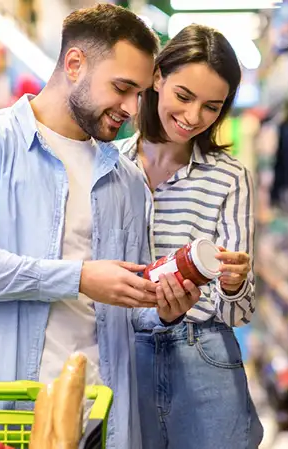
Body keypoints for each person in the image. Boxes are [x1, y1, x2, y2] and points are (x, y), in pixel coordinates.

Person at [0, 4, 201, 449]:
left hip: (98, 419)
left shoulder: (126, 180)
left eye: (140, 94)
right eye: (122, 88)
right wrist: (79, 277)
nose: (131, 108)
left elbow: (129, 309)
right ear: (74, 64)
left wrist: (165, 308)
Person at [115, 24, 263, 449]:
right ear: (157, 77)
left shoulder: (229, 178)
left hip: (205, 356)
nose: (193, 117)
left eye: (212, 106)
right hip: (127, 354)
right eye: (184, 96)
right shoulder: (110, 166)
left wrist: (235, 285)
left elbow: (240, 314)